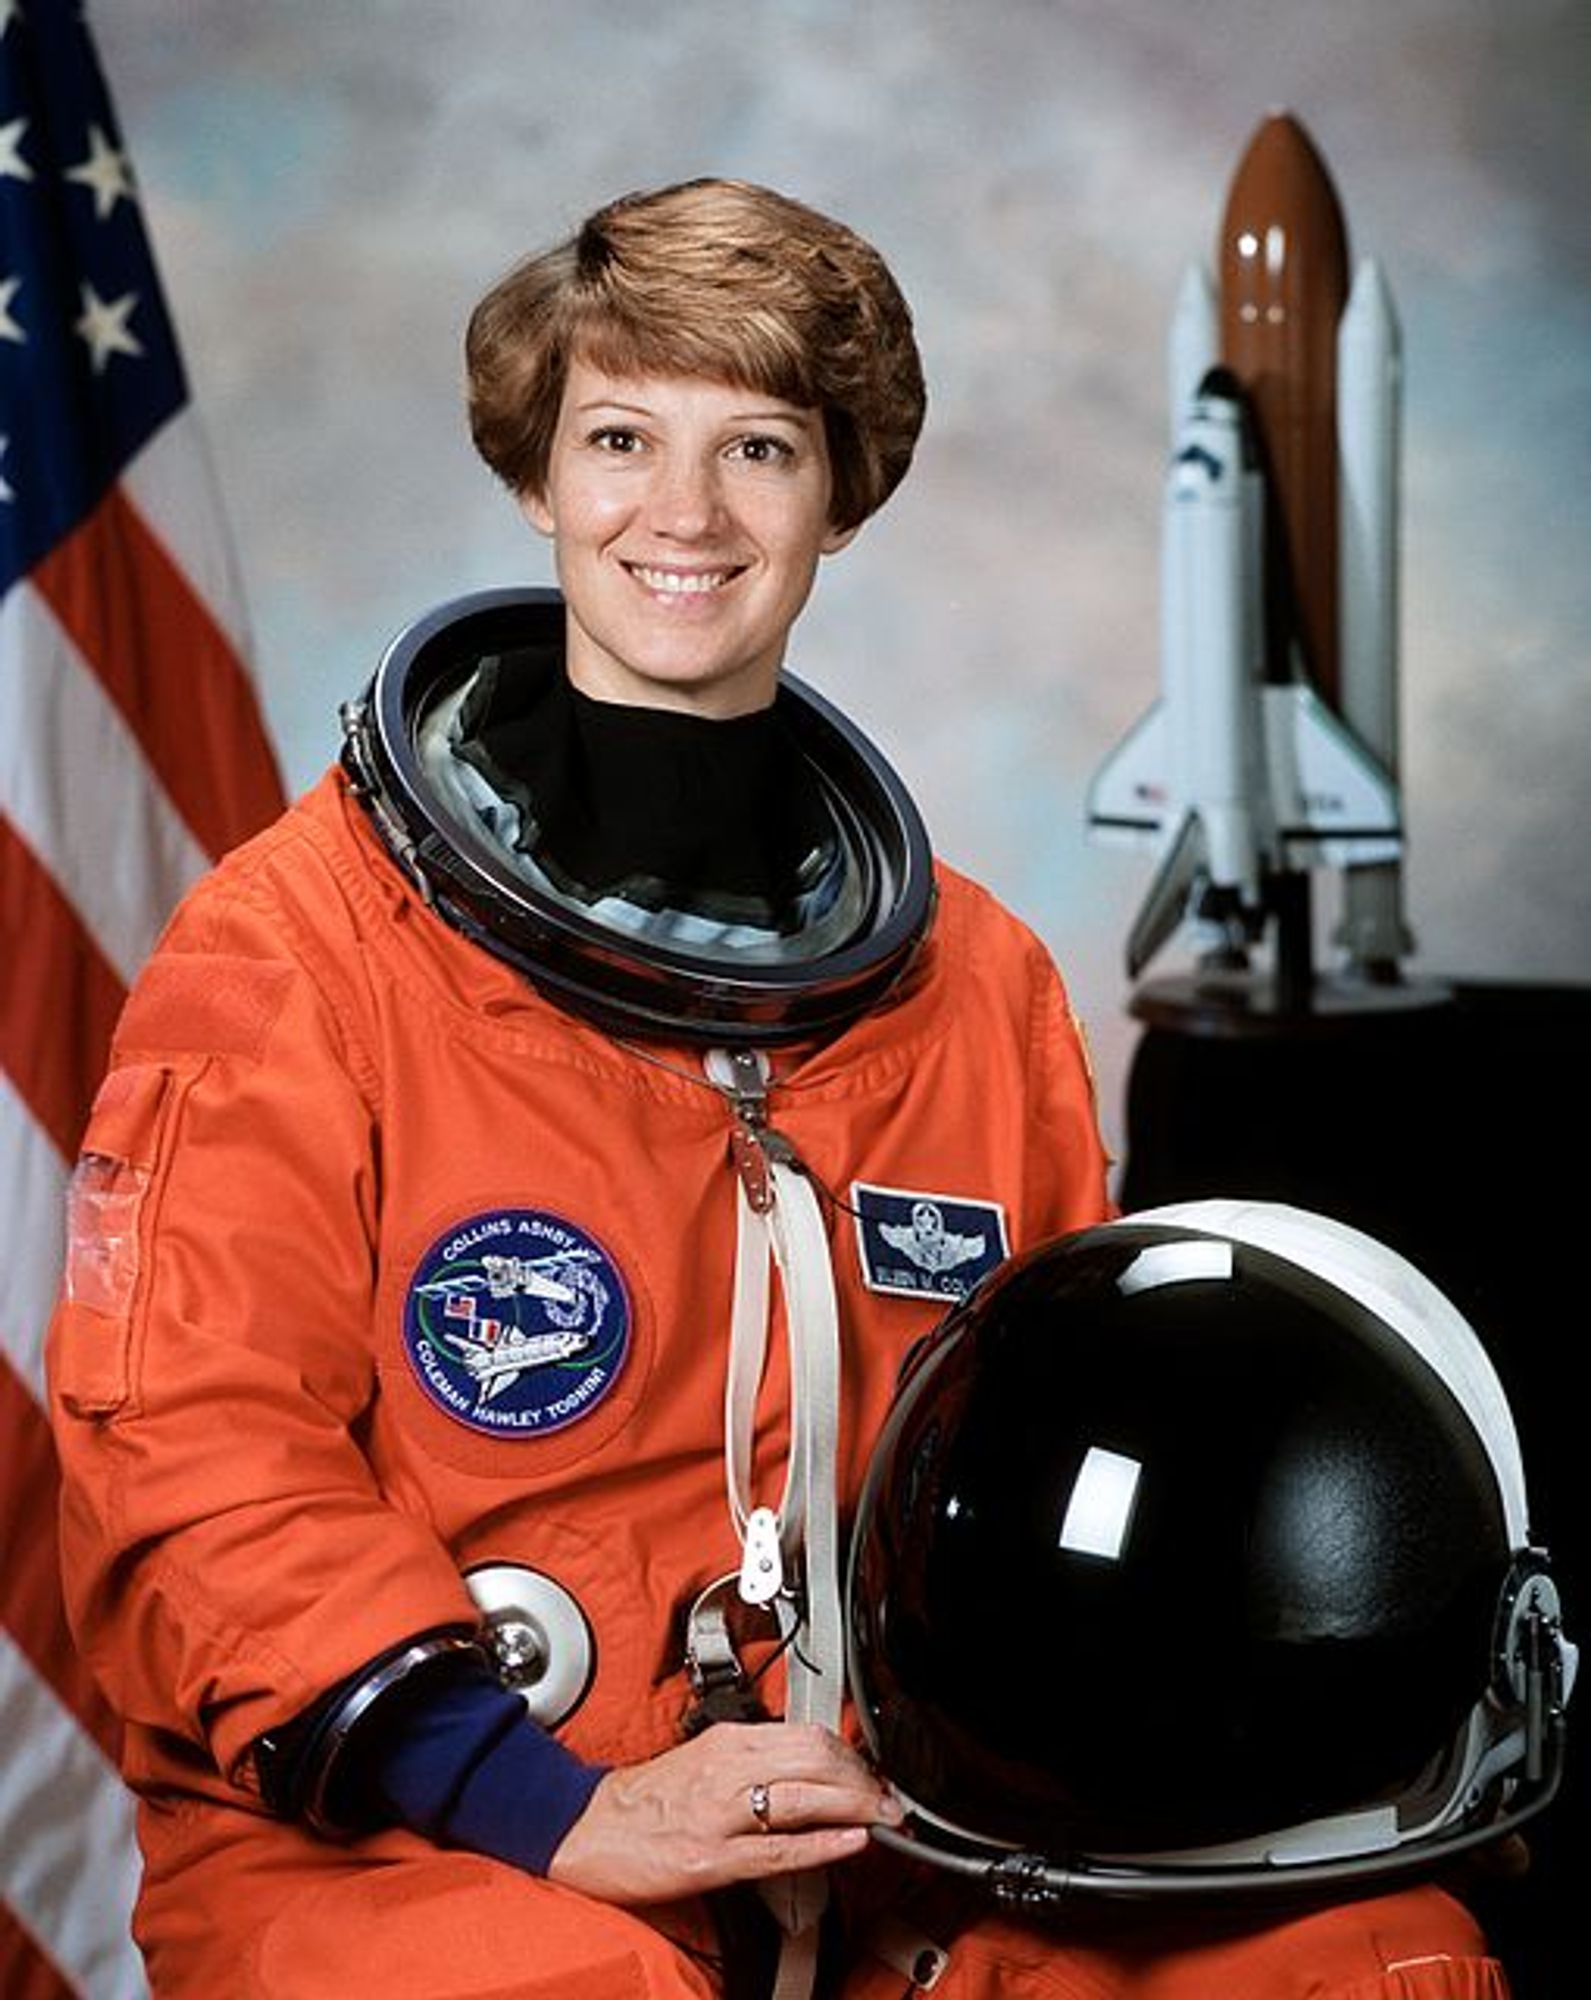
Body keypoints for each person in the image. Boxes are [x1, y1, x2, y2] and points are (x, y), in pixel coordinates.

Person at [46, 179, 1507, 1999]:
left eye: (758, 446)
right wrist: (550, 1804)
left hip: (887, 1825)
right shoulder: (297, 951)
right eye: (619, 438)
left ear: (840, 496)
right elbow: (183, 1451)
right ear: (535, 477)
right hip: (429, 1841)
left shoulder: (976, 990)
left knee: (1370, 1956)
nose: (685, 511)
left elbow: (1072, 1445)